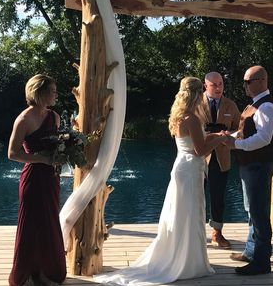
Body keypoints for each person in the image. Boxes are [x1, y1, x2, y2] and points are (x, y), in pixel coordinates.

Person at [94, 77, 227, 285]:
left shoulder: (182, 116)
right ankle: (187, 262)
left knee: (184, 214)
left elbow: (195, 143)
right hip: (190, 170)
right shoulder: (192, 118)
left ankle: (187, 257)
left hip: (184, 167)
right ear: (196, 94)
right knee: (190, 214)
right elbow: (200, 150)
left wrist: (214, 135)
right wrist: (222, 139)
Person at [7, 74, 66, 286]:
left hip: (51, 178)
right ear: (39, 92)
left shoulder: (55, 117)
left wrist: (64, 154)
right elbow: (12, 153)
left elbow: (57, 146)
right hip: (33, 178)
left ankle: (47, 272)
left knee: (49, 222)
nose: (56, 94)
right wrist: (41, 158)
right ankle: (30, 273)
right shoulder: (24, 119)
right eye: (52, 91)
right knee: (32, 225)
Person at [226, 65, 273, 276]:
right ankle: (250, 252)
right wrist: (229, 135)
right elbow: (245, 133)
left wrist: (234, 145)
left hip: (258, 166)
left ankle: (261, 261)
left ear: (261, 82)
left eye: (248, 81)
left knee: (259, 214)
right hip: (249, 165)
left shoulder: (266, 107)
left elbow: (263, 139)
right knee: (252, 211)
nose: (244, 85)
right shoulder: (255, 106)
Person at [203, 71, 240, 249]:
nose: (218, 88)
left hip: (221, 157)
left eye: (221, 84)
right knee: (196, 197)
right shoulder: (196, 104)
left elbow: (238, 129)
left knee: (218, 197)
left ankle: (217, 233)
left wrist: (226, 136)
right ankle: (195, 232)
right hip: (199, 157)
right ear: (205, 86)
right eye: (214, 85)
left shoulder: (230, 105)